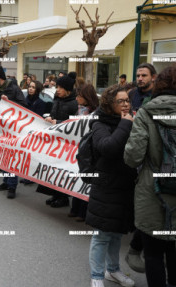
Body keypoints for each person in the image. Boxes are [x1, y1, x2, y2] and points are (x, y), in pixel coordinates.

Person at [124, 66, 176, 287]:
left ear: (158, 83)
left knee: (153, 255)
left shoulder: (145, 113)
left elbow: (132, 157)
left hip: (153, 194)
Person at [87, 84, 136, 287]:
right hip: (106, 186)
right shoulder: (99, 124)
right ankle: (97, 276)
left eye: (127, 100)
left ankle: (113, 271)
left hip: (125, 185)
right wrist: (125, 125)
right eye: (120, 101)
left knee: (117, 232)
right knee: (102, 234)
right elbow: (108, 148)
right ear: (109, 104)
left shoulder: (129, 121)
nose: (125, 105)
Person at [39, 74, 78, 207]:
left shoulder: (74, 103)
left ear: (67, 89)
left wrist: (58, 122)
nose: (58, 89)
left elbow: (74, 123)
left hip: (67, 142)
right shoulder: (57, 99)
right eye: (57, 87)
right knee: (53, 168)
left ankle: (63, 197)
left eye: (61, 87)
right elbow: (54, 114)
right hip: (54, 140)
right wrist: (50, 117)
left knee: (63, 170)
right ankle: (55, 194)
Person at [0, 66, 27, 199]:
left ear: (1, 79)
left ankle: (12, 186)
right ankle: (5, 182)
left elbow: (23, 106)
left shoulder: (14, 89)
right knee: (3, 157)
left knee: (11, 157)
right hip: (0, 131)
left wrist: (9, 102)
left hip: (13, 131)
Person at [68, 84, 99, 221]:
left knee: (86, 180)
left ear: (86, 97)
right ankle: (75, 209)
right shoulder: (79, 110)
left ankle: (83, 212)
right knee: (78, 178)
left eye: (79, 95)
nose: (76, 98)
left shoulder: (96, 112)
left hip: (89, 151)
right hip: (77, 149)